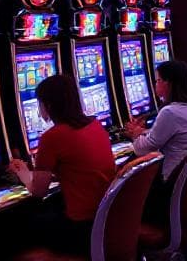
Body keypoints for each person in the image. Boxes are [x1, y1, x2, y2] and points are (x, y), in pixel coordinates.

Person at [8, 75, 116, 256]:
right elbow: (77, 168)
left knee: (12, 226)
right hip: (106, 221)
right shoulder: (95, 124)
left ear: (48, 105)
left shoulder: (52, 137)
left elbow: (38, 192)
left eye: (39, 103)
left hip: (81, 228)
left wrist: (22, 171)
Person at [125, 60, 187, 221]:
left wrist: (134, 134)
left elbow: (143, 149)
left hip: (170, 185)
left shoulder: (170, 112)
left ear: (168, 83)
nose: (155, 84)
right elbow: (172, 134)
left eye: (158, 80)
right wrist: (143, 131)